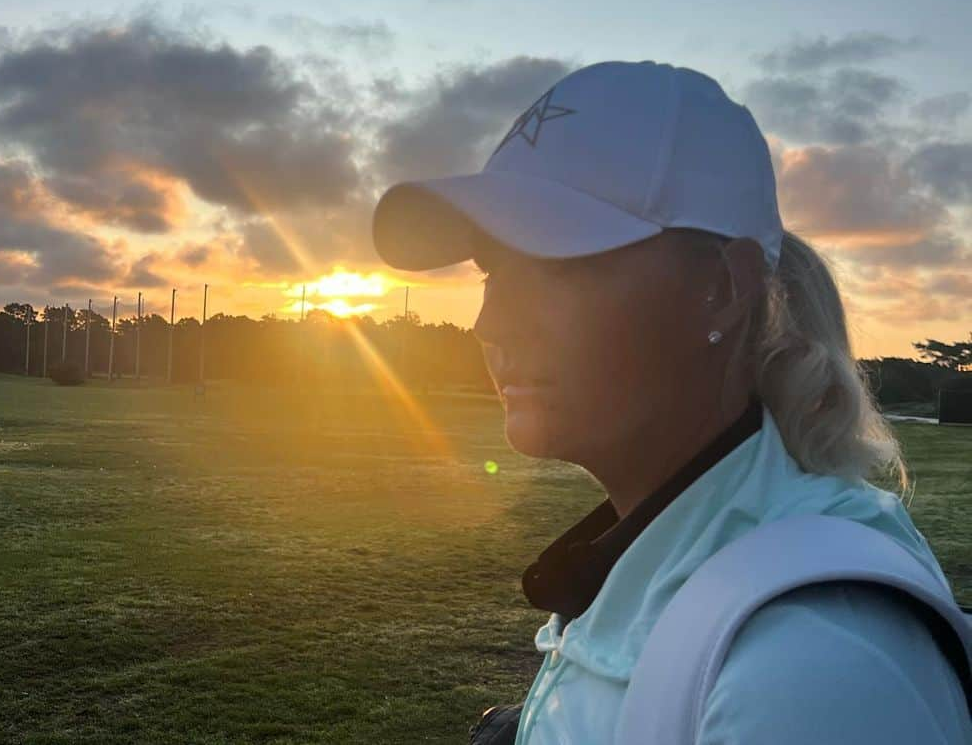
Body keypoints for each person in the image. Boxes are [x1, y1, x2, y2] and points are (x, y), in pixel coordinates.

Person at [371, 61, 972, 744]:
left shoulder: (807, 666)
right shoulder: (676, 553)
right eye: (492, 271)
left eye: (557, 265)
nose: (492, 324)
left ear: (720, 288)